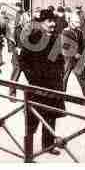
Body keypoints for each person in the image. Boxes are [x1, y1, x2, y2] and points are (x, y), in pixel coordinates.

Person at [20, 9, 65, 155]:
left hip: (53, 85)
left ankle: (48, 145)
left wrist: (59, 75)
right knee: (33, 117)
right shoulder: (33, 38)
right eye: (49, 21)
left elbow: (60, 61)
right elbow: (23, 61)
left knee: (50, 116)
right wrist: (32, 78)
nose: (52, 24)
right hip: (37, 85)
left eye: (53, 21)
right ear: (41, 23)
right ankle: (29, 149)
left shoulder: (56, 38)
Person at [62, 12, 85, 97]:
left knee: (82, 77)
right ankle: (61, 95)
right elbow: (65, 46)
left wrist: (79, 53)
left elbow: (82, 44)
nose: (78, 24)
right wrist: (74, 54)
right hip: (68, 58)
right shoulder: (65, 32)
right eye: (76, 22)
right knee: (64, 77)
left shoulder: (79, 32)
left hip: (78, 58)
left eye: (78, 22)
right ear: (70, 21)